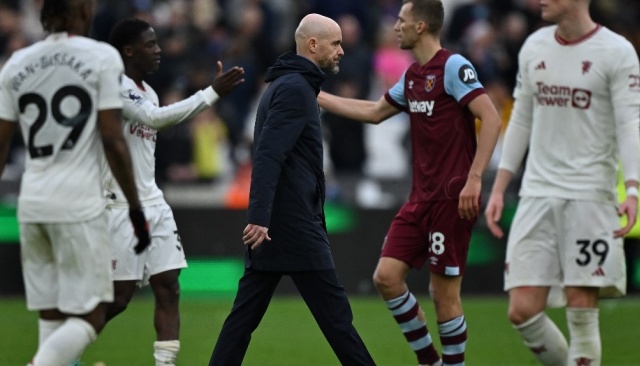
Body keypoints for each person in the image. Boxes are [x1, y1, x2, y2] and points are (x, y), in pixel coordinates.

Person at [317, 0, 502, 365]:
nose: (395, 26)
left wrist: (474, 178)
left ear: (420, 26)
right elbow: (373, 112)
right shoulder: (414, 75)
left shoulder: (453, 67)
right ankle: (429, 360)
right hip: (419, 199)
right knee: (386, 277)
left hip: (452, 197)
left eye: (401, 20)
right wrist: (317, 95)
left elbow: (491, 118)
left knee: (443, 294)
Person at [208, 14, 375, 366]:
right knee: (337, 321)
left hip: (276, 224)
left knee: (242, 322)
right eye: (335, 44)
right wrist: (259, 217)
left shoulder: (287, 86)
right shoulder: (296, 89)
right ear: (312, 45)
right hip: (292, 225)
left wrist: (262, 219)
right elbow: (268, 155)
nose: (342, 51)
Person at [483, 0, 640, 364]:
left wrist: (631, 189)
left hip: (589, 195)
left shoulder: (617, 52)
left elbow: (628, 125)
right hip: (537, 191)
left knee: (581, 306)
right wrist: (499, 185)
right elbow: (521, 118)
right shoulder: (534, 45)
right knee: (521, 309)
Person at [0, 1, 150, 365]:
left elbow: (1, 144)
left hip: (32, 201)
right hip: (78, 204)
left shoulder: (16, 63)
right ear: (82, 13)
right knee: (92, 315)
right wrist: (134, 207)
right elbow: (114, 139)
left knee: (51, 315)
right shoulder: (101, 57)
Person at [99, 18, 244, 366]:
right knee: (119, 299)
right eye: (150, 44)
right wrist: (211, 94)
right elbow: (156, 119)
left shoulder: (147, 90)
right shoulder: (115, 87)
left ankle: (165, 364)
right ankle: (62, 353)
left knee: (170, 287)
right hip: (119, 205)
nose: (158, 50)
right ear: (129, 51)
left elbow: (152, 123)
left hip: (154, 202)